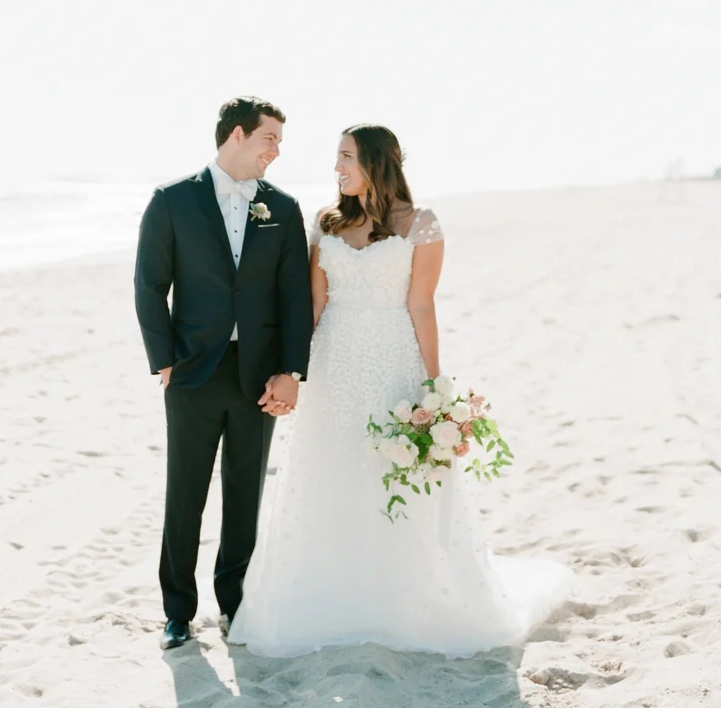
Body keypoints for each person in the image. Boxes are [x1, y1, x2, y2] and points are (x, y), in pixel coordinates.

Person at [228, 124, 571, 656]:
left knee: (394, 474)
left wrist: (435, 392)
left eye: (345, 158)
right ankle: (334, 597)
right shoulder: (324, 224)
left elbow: (421, 306)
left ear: (375, 163)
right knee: (332, 469)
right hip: (335, 361)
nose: (337, 168)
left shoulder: (422, 224)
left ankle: (405, 602)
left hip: (395, 362)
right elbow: (314, 306)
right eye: (336, 158)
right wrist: (293, 371)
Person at [133, 96, 313, 652]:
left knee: (245, 495)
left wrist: (291, 371)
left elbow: (294, 298)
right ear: (237, 135)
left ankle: (234, 603)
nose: (276, 151)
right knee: (184, 493)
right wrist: (165, 361)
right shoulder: (172, 201)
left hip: (258, 376)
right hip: (192, 371)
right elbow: (148, 286)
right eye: (270, 139)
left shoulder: (282, 207)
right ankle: (177, 612)